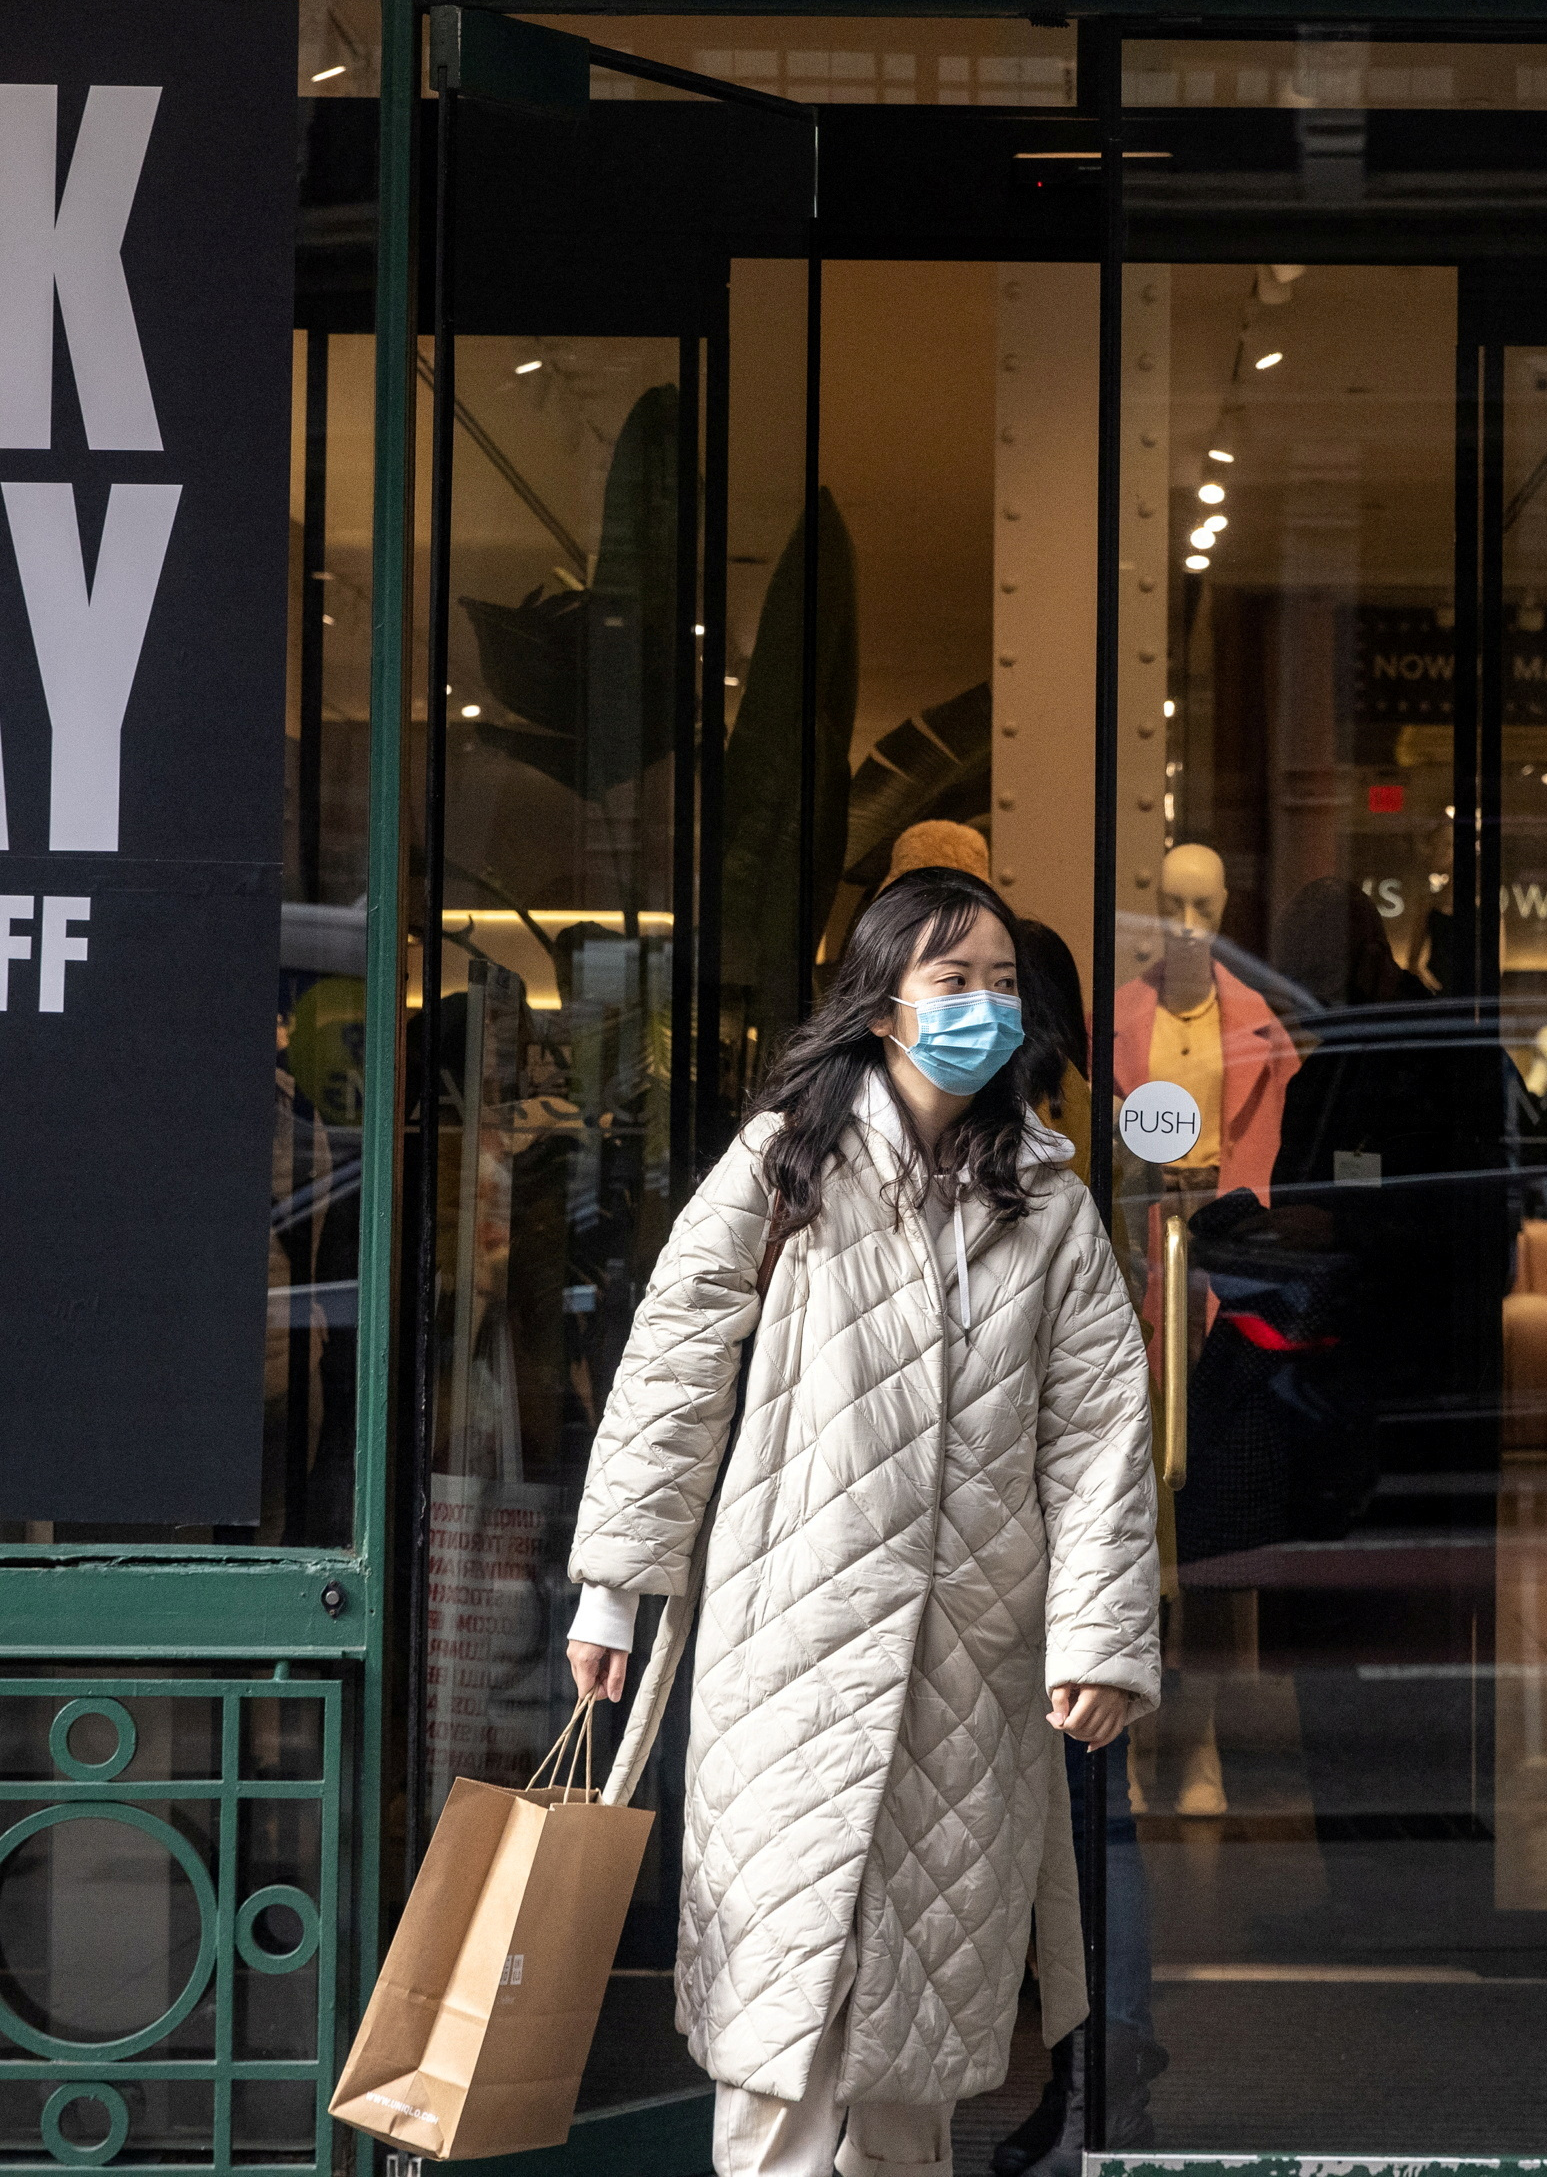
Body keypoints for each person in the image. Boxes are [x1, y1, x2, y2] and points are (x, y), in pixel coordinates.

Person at [564, 866, 1162, 2177]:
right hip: (789, 1649)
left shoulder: (1048, 1207)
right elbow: (675, 1366)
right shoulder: (785, 1164)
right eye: (955, 981)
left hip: (970, 1678)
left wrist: (1099, 1640)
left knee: (911, 2068)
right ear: (883, 1001)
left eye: (1004, 985)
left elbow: (1101, 1432)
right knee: (780, 2053)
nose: (983, 1008)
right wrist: (616, 1585)